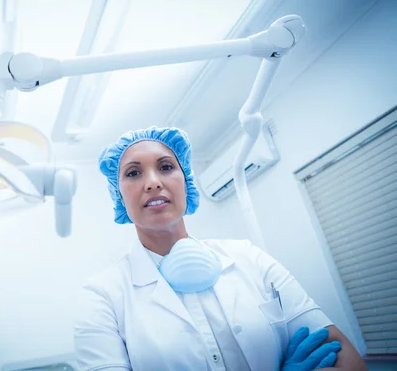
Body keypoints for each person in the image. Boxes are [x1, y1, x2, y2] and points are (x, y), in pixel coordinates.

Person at [74, 127, 367, 371]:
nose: (152, 183)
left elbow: (344, 358)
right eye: (134, 173)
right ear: (118, 194)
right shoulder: (102, 296)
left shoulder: (249, 258)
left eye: (165, 167)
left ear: (185, 182)